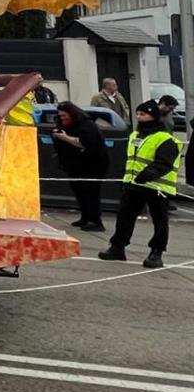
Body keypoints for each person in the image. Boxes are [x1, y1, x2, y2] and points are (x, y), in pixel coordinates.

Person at [98, 100, 179, 268]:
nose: (139, 117)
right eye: (138, 114)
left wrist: (147, 175)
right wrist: (126, 179)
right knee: (125, 217)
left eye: (143, 114)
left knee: (159, 221)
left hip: (157, 187)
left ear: (153, 116)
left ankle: (156, 252)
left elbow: (164, 163)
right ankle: (117, 247)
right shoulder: (135, 136)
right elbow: (130, 160)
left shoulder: (165, 139)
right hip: (134, 185)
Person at [52, 102, 108, 231]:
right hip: (75, 164)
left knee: (90, 192)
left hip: (92, 165)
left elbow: (85, 143)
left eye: (64, 115)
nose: (62, 118)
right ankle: (85, 217)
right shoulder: (67, 124)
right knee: (79, 191)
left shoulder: (87, 125)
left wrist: (65, 138)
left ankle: (95, 220)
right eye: (60, 116)